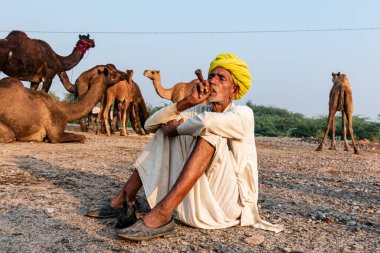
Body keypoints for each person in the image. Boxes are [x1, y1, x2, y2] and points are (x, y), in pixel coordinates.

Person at [86, 53, 283, 241]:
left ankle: (162, 213)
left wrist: (177, 129)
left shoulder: (243, 113)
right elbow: (149, 125)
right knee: (164, 130)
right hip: (195, 205)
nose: (213, 81)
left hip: (228, 206)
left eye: (221, 78)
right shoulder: (200, 109)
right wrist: (186, 102)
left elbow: (207, 123)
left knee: (209, 132)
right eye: (211, 76)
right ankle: (124, 199)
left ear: (235, 90)